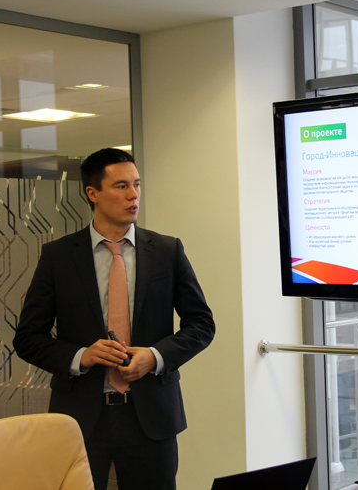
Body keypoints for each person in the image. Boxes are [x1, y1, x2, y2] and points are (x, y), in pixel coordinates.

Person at [14, 148, 215, 490]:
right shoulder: (58, 256)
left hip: (150, 416)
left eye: (137, 184)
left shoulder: (167, 251)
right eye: (121, 186)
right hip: (80, 417)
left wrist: (155, 357)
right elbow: (28, 338)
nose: (133, 195)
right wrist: (81, 356)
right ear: (92, 193)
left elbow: (201, 324)